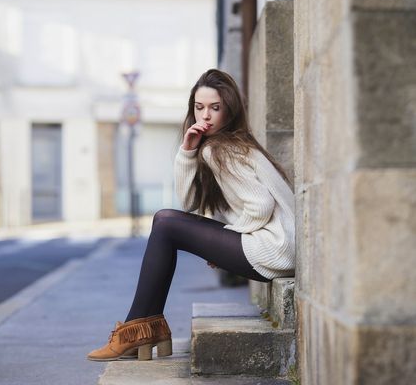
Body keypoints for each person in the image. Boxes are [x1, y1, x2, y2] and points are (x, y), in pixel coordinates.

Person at [87, 68, 295, 362]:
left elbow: (259, 206)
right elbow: (190, 203)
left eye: (215, 108)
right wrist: (187, 152)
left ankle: (135, 332)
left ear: (229, 109)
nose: (205, 116)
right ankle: (142, 330)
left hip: (272, 249)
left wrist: (225, 237)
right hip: (281, 247)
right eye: (199, 108)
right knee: (166, 222)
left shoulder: (220, 150)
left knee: (165, 222)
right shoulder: (235, 143)